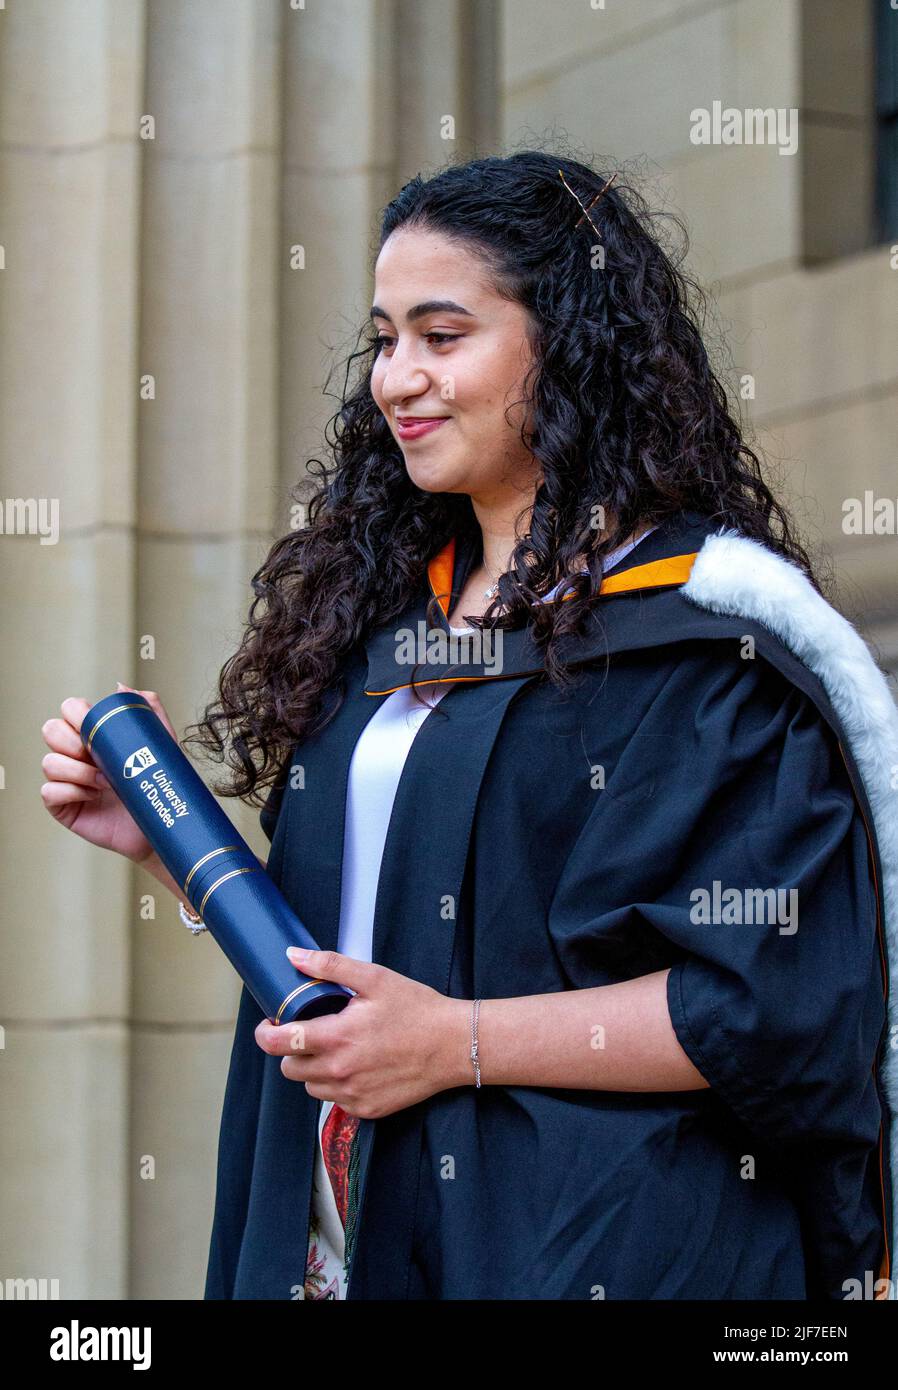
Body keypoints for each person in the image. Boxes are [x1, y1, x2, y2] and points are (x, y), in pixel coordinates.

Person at [41, 151, 896, 1301]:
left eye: (443, 336)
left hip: (592, 1240)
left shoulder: (702, 641)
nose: (396, 377)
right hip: (349, 1230)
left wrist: (457, 1042)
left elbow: (761, 1003)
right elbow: (365, 961)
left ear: (571, 342)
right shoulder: (390, 626)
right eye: (385, 339)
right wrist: (178, 848)